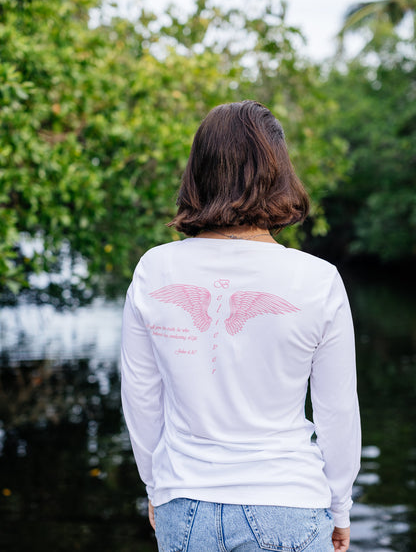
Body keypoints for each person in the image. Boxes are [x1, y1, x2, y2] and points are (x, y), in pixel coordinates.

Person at [120, 100, 361, 552]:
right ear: (278, 172)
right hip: (288, 502)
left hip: (183, 504)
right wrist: (340, 507)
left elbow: (140, 398)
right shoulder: (317, 279)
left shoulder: (156, 269)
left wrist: (156, 488)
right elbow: (337, 411)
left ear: (199, 171)